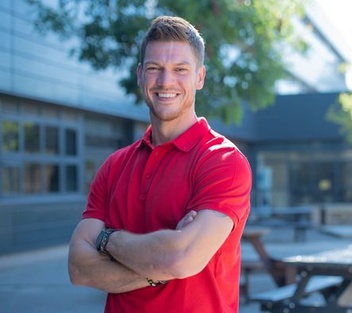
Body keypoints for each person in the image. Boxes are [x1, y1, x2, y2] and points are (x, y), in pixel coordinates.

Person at [68, 15, 252, 313]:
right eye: (155, 68)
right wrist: (162, 265)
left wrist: (105, 240)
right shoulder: (114, 166)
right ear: (140, 74)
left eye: (181, 69)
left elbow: (181, 258)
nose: (166, 81)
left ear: (200, 77)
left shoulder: (222, 160)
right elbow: (79, 268)